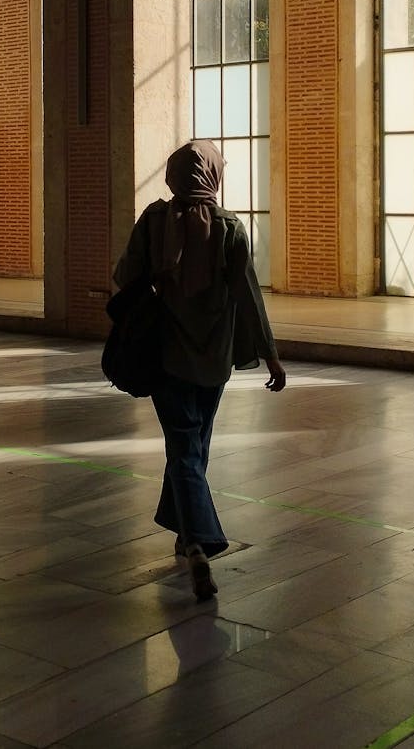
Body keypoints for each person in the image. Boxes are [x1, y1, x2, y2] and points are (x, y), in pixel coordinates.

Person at [113, 138, 286, 601]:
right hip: (212, 361)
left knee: (182, 447)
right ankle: (192, 535)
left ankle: (194, 542)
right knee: (194, 447)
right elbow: (248, 294)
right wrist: (270, 354)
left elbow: (122, 276)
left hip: (165, 357)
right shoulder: (230, 229)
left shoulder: (152, 221)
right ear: (212, 174)